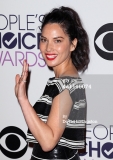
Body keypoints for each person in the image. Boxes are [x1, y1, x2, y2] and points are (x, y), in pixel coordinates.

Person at [15, 6, 90, 160]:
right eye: (44, 40)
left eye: (58, 41)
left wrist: (23, 99)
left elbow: (48, 142)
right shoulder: (67, 79)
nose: (48, 48)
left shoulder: (66, 83)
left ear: (73, 44)